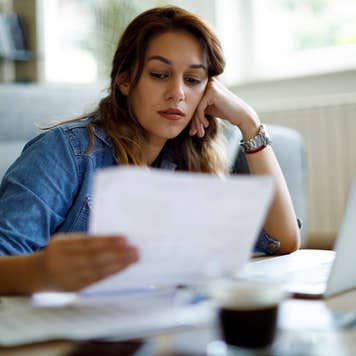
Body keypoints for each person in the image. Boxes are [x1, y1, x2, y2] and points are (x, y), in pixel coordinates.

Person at [0, 6, 300, 295]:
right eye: (159, 74)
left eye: (193, 80)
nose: (177, 93)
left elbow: (282, 240)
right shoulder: (65, 151)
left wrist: (249, 122)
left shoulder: (191, 159)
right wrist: (45, 271)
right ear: (125, 81)